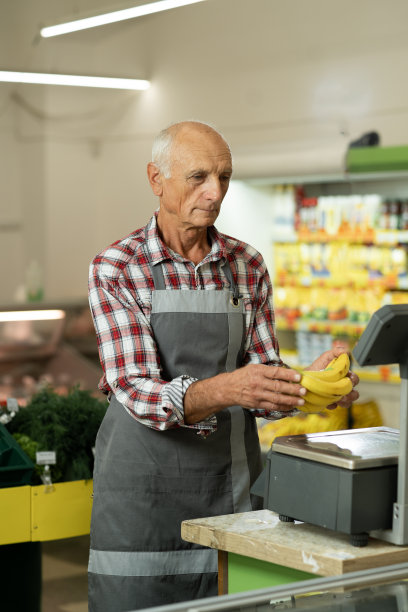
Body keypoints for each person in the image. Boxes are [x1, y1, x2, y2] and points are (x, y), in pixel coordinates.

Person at [87, 120, 359, 611]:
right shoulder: (117, 267)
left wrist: (305, 384)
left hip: (230, 492)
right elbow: (137, 390)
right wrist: (231, 388)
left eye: (224, 177)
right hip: (142, 500)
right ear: (156, 180)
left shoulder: (247, 265)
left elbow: (261, 382)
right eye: (198, 177)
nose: (215, 193)